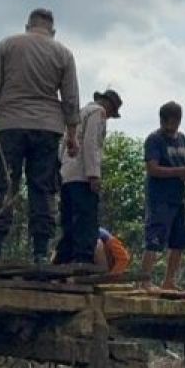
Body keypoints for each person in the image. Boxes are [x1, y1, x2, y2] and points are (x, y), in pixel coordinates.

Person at [0, 8, 81, 263]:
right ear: (52, 31)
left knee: (4, 184)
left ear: (28, 26)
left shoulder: (8, 45)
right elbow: (70, 98)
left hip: (11, 123)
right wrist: (72, 134)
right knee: (43, 188)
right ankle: (40, 252)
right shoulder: (63, 53)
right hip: (48, 127)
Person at [56, 89, 120, 266]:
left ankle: (63, 260)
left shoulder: (79, 114)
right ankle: (82, 260)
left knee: (69, 222)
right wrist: (93, 175)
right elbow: (91, 144)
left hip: (67, 175)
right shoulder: (97, 113)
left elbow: (63, 147)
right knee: (86, 221)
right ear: (108, 106)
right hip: (82, 176)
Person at [140, 101, 185, 291]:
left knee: (179, 241)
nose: (170, 125)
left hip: (178, 197)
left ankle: (169, 281)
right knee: (154, 239)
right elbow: (152, 169)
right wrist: (180, 171)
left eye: (173, 121)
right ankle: (145, 280)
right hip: (160, 198)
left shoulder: (182, 140)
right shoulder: (154, 140)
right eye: (166, 121)